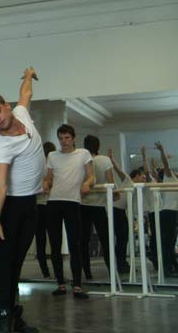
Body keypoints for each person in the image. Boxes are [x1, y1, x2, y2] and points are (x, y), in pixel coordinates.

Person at [0, 66, 43, 333]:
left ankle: (14, 316)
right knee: (5, 263)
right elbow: (0, 183)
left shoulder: (21, 113)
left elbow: (25, 94)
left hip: (30, 204)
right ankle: (4, 315)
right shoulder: (1, 145)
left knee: (16, 263)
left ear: (6, 106)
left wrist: (28, 76)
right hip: (12, 207)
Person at [43, 124, 93, 299]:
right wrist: (45, 184)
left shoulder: (83, 154)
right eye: (61, 138)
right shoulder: (52, 156)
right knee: (55, 245)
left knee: (75, 245)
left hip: (72, 202)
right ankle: (60, 284)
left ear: (73, 138)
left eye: (67, 138)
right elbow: (49, 178)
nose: (64, 141)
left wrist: (87, 183)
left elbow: (91, 176)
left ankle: (77, 285)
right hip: (53, 203)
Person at [81, 135, 113, 279]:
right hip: (99, 205)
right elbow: (111, 182)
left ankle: (87, 273)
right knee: (106, 239)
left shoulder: (81, 160)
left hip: (83, 204)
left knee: (83, 241)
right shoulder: (105, 160)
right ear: (98, 146)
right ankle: (112, 271)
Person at [150, 142, 178, 276]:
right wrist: (162, 151)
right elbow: (165, 165)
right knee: (168, 241)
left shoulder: (166, 181)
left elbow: (155, 173)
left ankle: (171, 264)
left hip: (170, 212)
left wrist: (153, 166)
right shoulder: (169, 177)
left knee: (170, 241)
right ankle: (168, 266)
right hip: (168, 213)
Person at [108, 148, 132, 274]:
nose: (144, 178)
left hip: (121, 212)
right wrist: (111, 159)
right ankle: (120, 263)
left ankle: (121, 262)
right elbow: (118, 170)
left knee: (123, 238)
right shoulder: (128, 180)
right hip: (115, 211)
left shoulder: (139, 188)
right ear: (137, 175)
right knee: (121, 237)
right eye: (142, 176)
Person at [35, 142, 56, 278]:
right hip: (51, 203)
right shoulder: (53, 165)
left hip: (39, 205)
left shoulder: (37, 166)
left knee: (40, 239)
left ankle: (45, 272)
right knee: (54, 239)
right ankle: (56, 271)